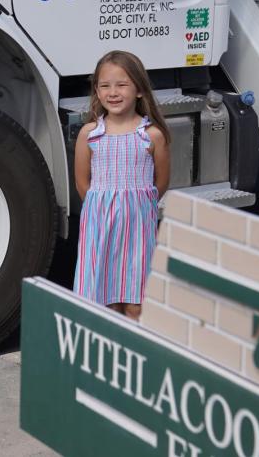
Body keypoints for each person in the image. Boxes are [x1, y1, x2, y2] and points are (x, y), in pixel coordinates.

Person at [72, 50, 171, 320]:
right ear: (96, 90)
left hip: (138, 229)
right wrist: (105, 206)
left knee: (137, 305)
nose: (112, 93)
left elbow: (160, 183)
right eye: (105, 86)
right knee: (105, 304)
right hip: (100, 227)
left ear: (139, 89)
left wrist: (134, 204)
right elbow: (83, 185)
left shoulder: (152, 135)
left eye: (122, 84)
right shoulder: (90, 135)